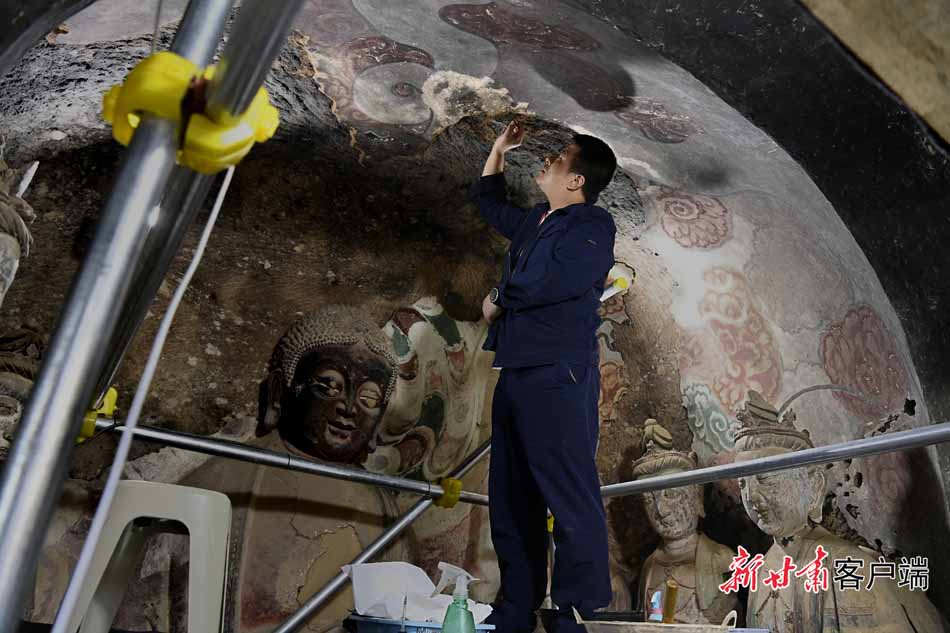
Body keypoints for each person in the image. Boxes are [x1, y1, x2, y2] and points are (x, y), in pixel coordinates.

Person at [469, 121, 617, 633]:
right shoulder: (537, 219)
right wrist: (498, 150)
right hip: (517, 369)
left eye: (559, 157)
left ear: (577, 180)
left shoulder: (592, 225)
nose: (549, 160)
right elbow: (489, 203)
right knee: (511, 494)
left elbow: (557, 278)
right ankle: (517, 606)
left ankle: (576, 609)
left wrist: (499, 298)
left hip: (559, 372)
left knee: (567, 488)